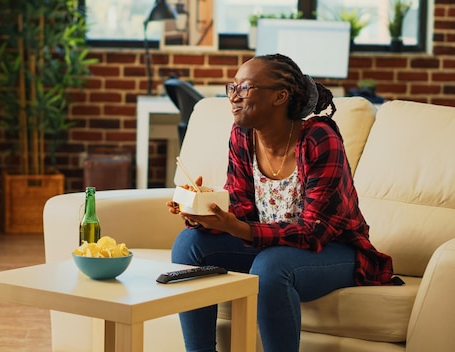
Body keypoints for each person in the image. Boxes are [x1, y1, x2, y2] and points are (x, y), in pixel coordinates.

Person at [166, 53, 396, 352]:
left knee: (271, 267)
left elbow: (315, 230)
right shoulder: (242, 135)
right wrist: (205, 210)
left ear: (280, 96)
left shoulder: (319, 138)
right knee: (189, 244)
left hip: (334, 249)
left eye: (245, 88)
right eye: (231, 87)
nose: (234, 97)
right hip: (270, 245)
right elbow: (243, 207)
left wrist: (241, 229)